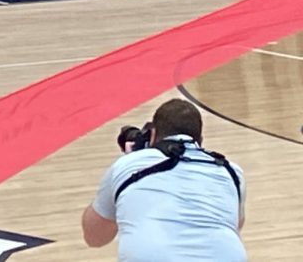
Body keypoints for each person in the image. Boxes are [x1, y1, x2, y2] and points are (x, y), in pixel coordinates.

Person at [82, 99, 247, 261]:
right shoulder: (231, 172)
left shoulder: (128, 165)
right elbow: (233, 226)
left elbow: (94, 237)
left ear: (152, 135)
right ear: (200, 140)